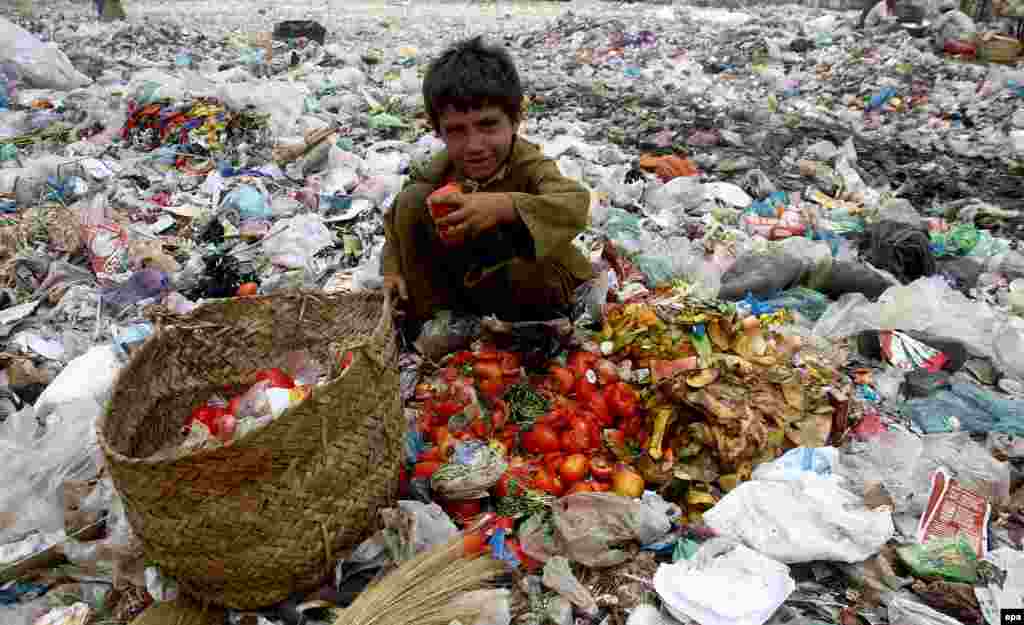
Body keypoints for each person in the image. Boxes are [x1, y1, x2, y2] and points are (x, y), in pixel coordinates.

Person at [381, 36, 593, 325]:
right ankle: (435, 325)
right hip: (470, 279)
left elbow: (574, 202)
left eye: (488, 125)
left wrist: (504, 206)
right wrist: (392, 270)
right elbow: (396, 218)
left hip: (529, 286)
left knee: (527, 274)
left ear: (516, 119)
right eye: (456, 130)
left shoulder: (527, 162)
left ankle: (516, 340)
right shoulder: (441, 167)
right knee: (411, 199)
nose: (474, 145)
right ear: (437, 131)